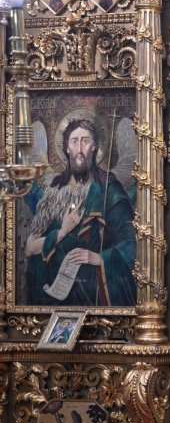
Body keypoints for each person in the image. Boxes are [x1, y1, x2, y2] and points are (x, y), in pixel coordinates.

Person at [24, 118, 136, 307]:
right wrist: (62, 232)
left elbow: (130, 243)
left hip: (91, 288)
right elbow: (29, 247)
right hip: (51, 290)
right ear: (67, 148)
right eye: (74, 141)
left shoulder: (109, 189)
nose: (79, 148)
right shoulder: (54, 190)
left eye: (85, 141)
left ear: (94, 147)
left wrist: (100, 258)